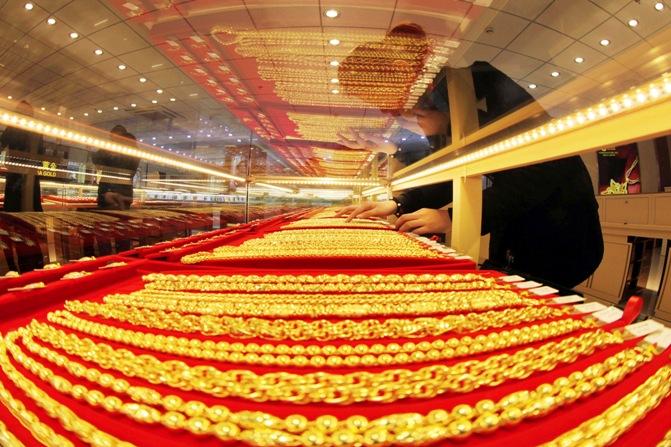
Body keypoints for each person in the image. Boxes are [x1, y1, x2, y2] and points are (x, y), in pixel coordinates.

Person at [337, 62, 603, 289]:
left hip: (560, 235)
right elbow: (450, 171)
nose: (394, 113)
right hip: (515, 229)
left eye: (378, 97)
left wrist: (451, 216)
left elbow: (539, 172)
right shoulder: (442, 104)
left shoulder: (478, 82)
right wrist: (397, 203)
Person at [0, 101, 45, 212]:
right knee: (26, 206)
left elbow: (1, 144)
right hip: (26, 172)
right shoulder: (35, 128)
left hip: (20, 172)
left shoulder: (14, 126)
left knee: (15, 206)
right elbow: (41, 152)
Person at [92, 125, 139, 210]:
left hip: (119, 195)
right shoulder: (108, 148)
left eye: (117, 137)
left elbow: (127, 171)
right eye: (112, 137)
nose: (114, 140)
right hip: (107, 193)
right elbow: (96, 161)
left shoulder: (129, 151)